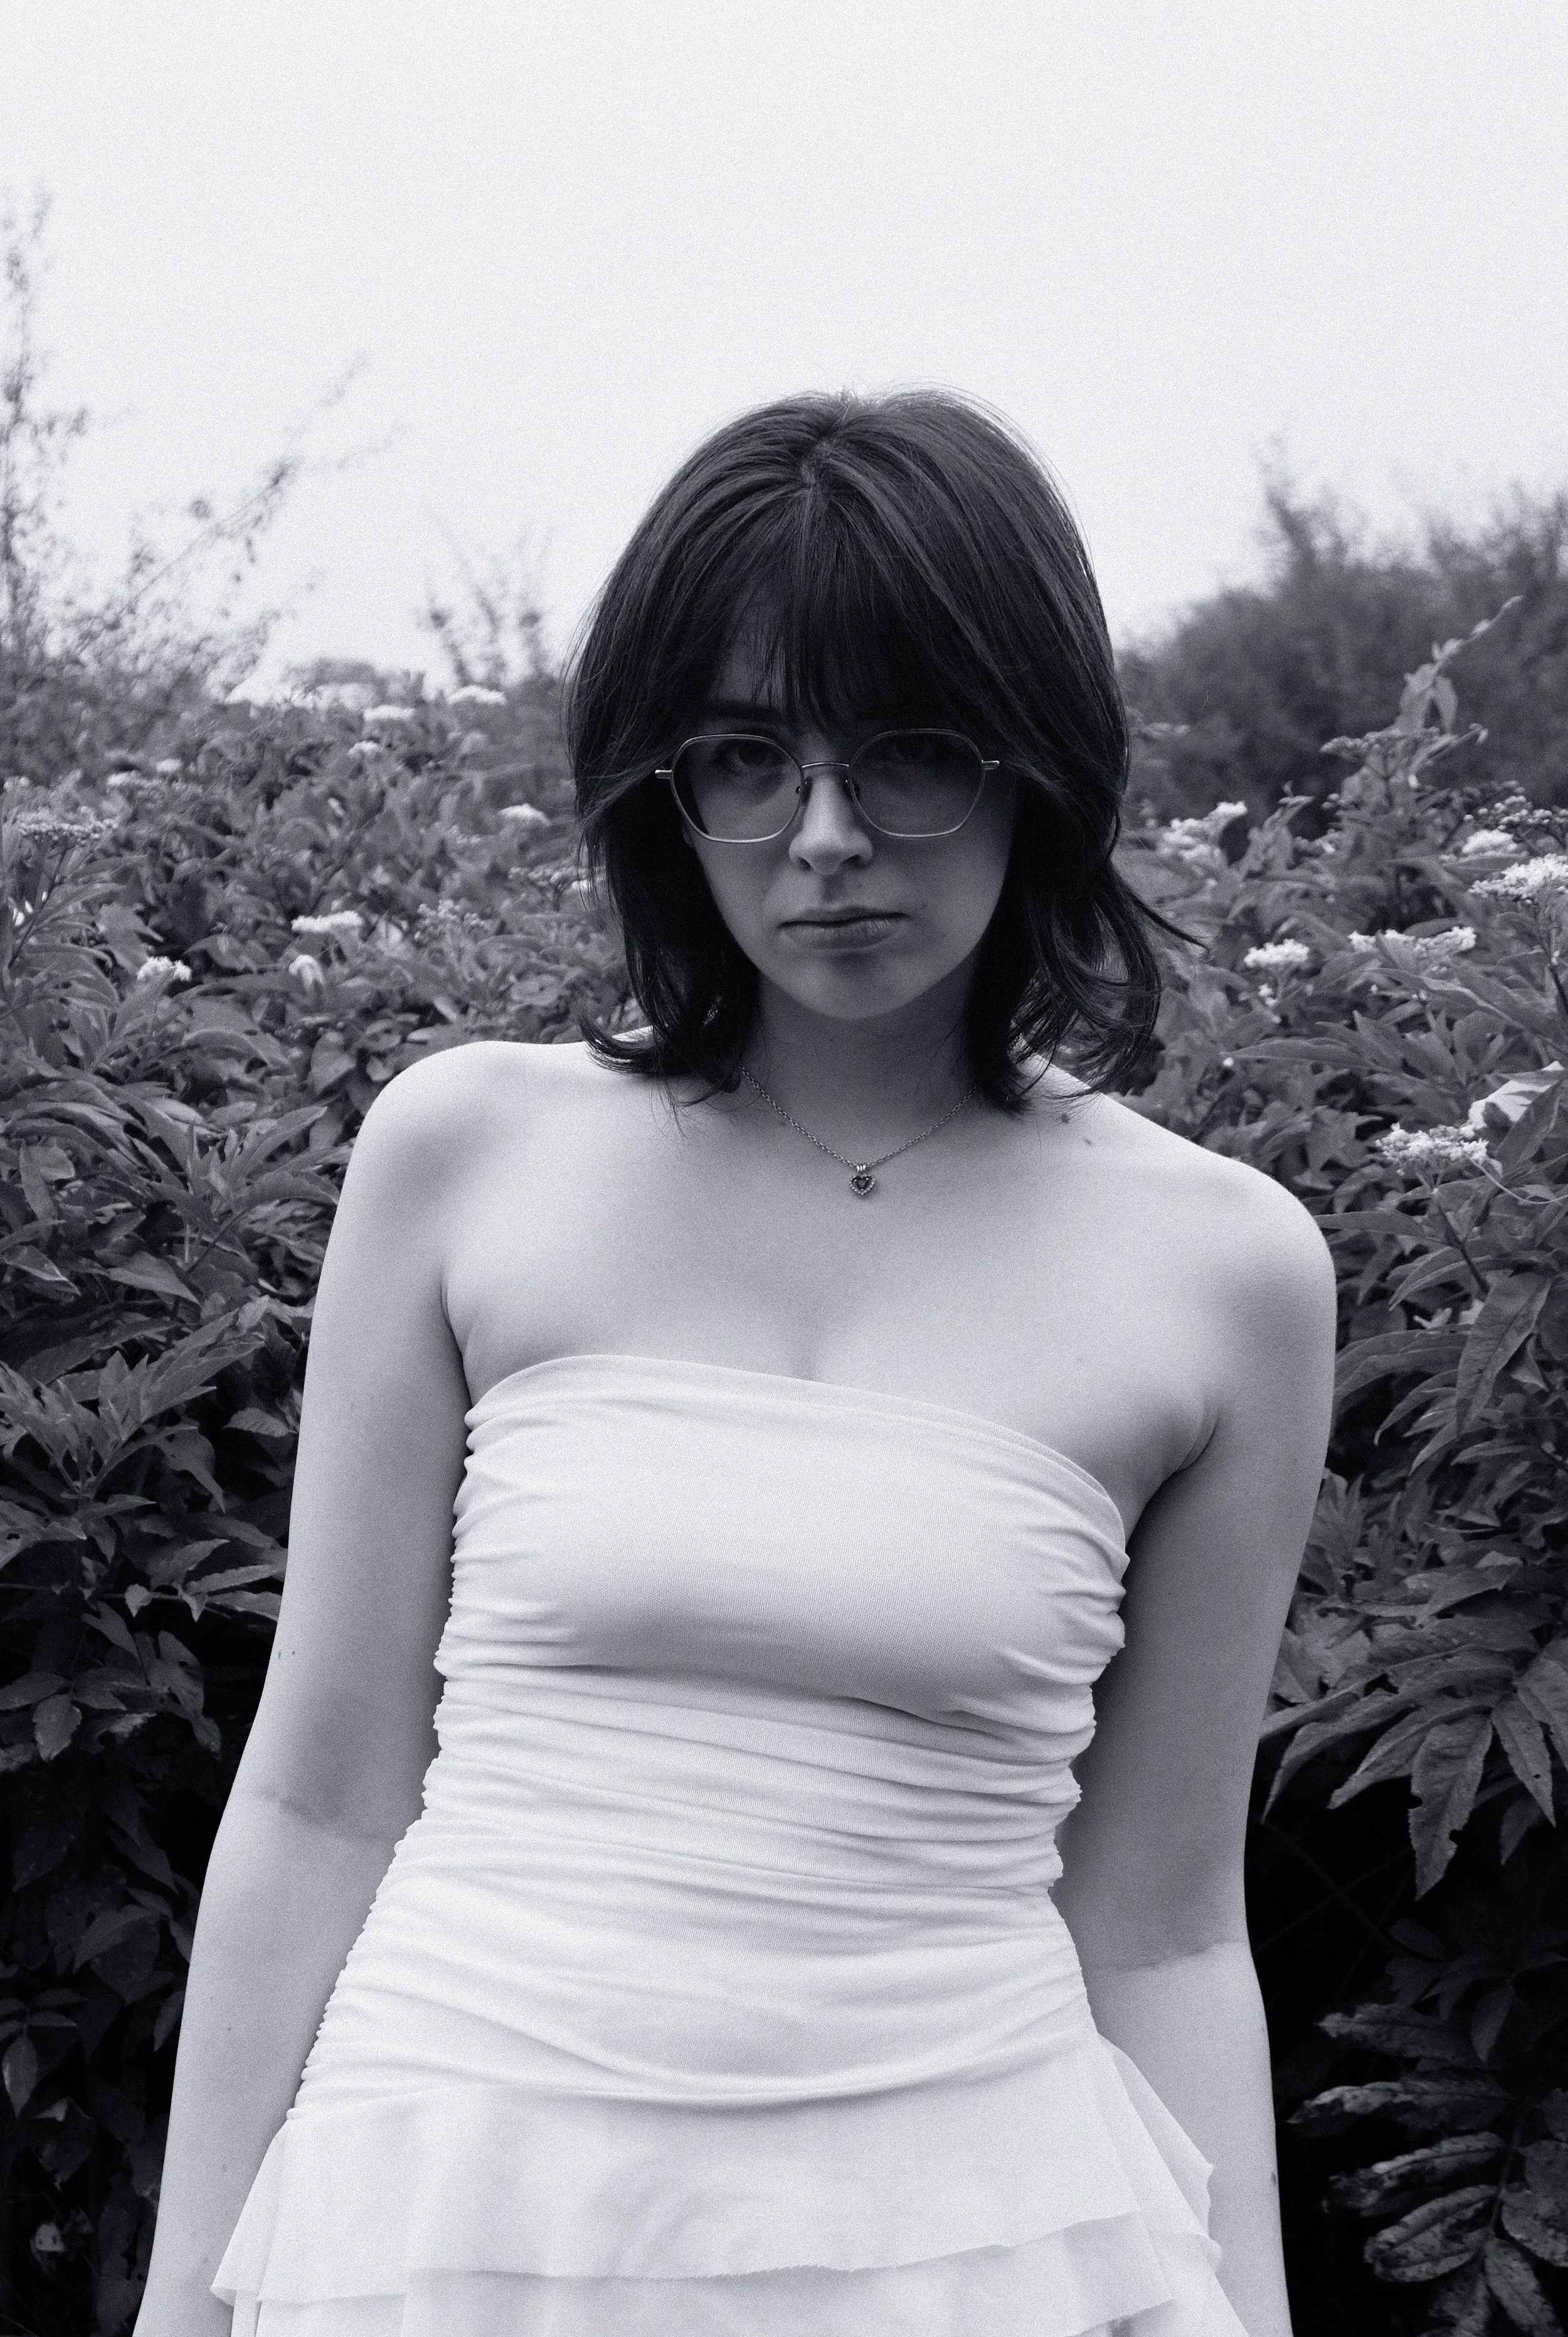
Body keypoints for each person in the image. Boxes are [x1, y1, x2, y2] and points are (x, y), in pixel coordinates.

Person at [134, 389, 1335, 2337]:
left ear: (1038, 766)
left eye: (911, 756)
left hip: (974, 2237)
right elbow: (321, 1798)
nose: (828, 839)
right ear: (653, 790)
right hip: (451, 2211)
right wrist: (184, 2301)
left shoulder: (1221, 1272)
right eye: (745, 758)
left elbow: (1167, 1917)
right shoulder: (465, 1155)